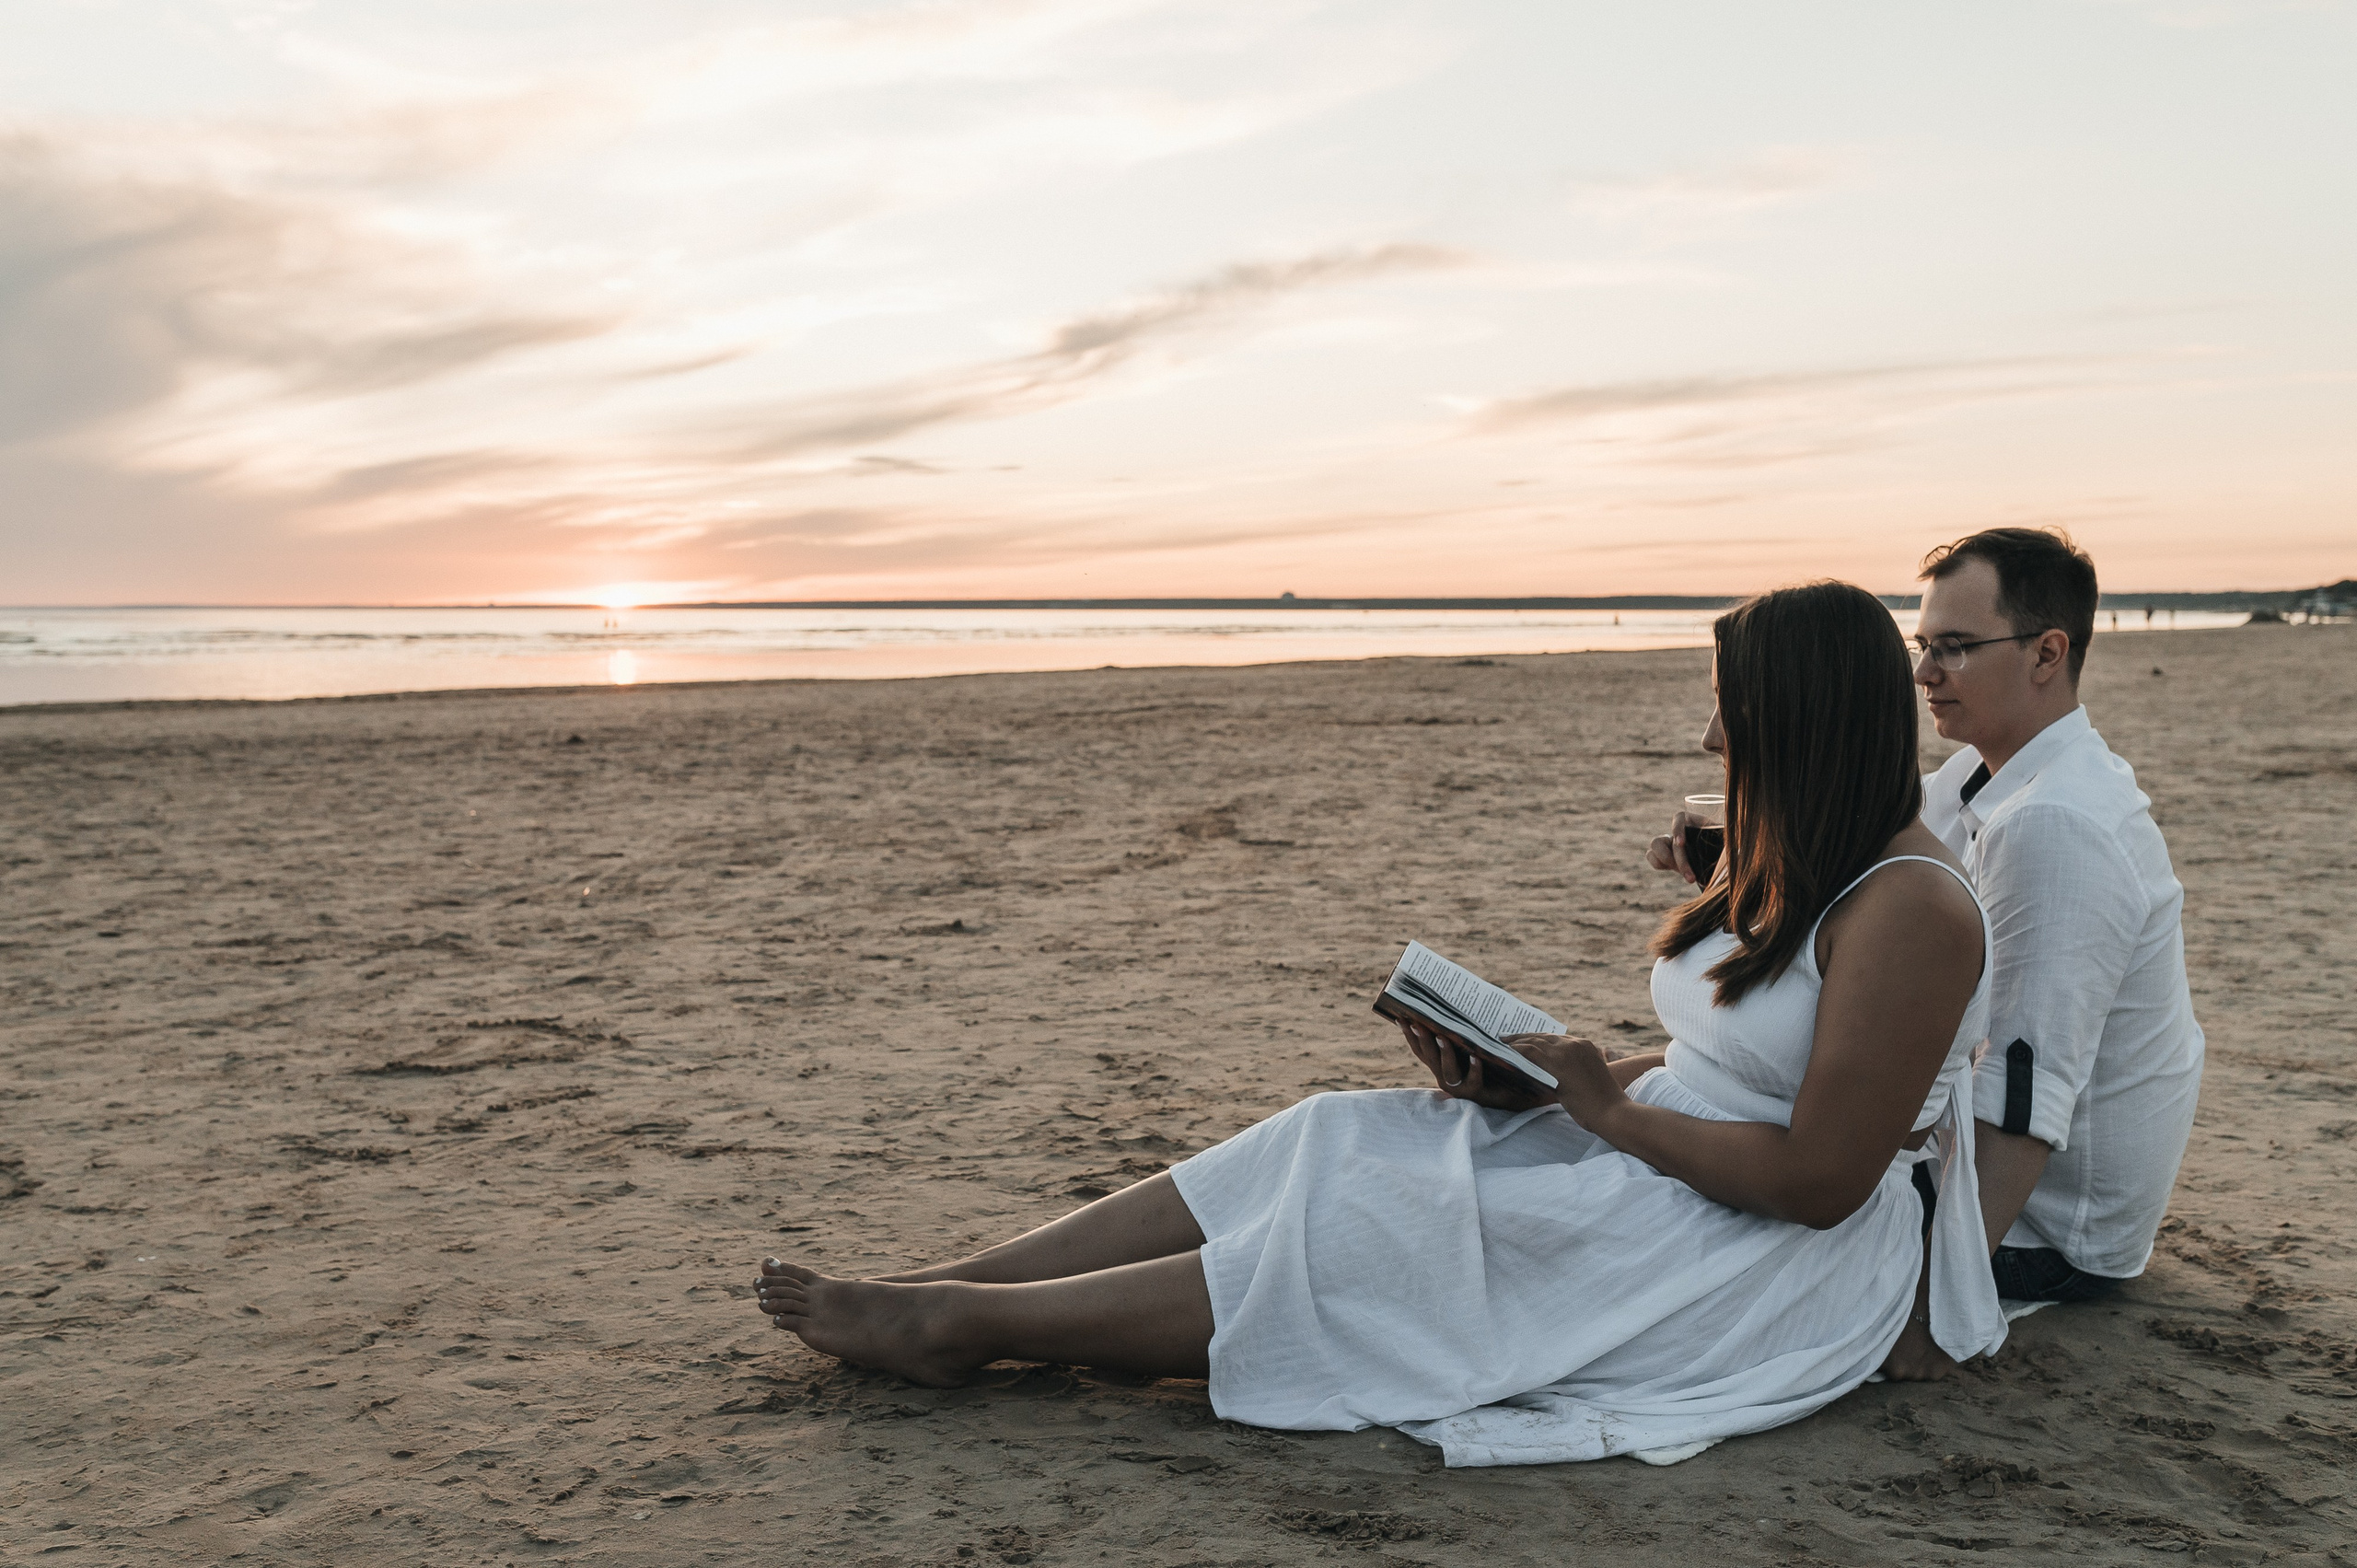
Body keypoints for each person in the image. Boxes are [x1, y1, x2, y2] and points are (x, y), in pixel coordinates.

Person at [754, 582, 2010, 1467]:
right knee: (1337, 1133)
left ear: (1800, 715)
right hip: (1666, 1148)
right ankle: (956, 1278)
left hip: (1759, 1251)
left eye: (1727, 702)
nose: (1707, 732)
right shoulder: (1805, 859)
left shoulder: (1913, 909)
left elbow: (1821, 1179)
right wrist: (1539, 1081)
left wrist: (1607, 1109)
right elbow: (1730, 1064)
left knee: (1386, 1232)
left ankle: (965, 1330)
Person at [1881, 528, 2202, 1377]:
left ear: (2046, 653)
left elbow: (2022, 1090)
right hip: (1998, 1180)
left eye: (1953, 647)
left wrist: (1932, 1311)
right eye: (1923, 646)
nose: (1924, 674)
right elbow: (1871, 874)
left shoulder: (2058, 822)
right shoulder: (1982, 779)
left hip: (2050, 1233)